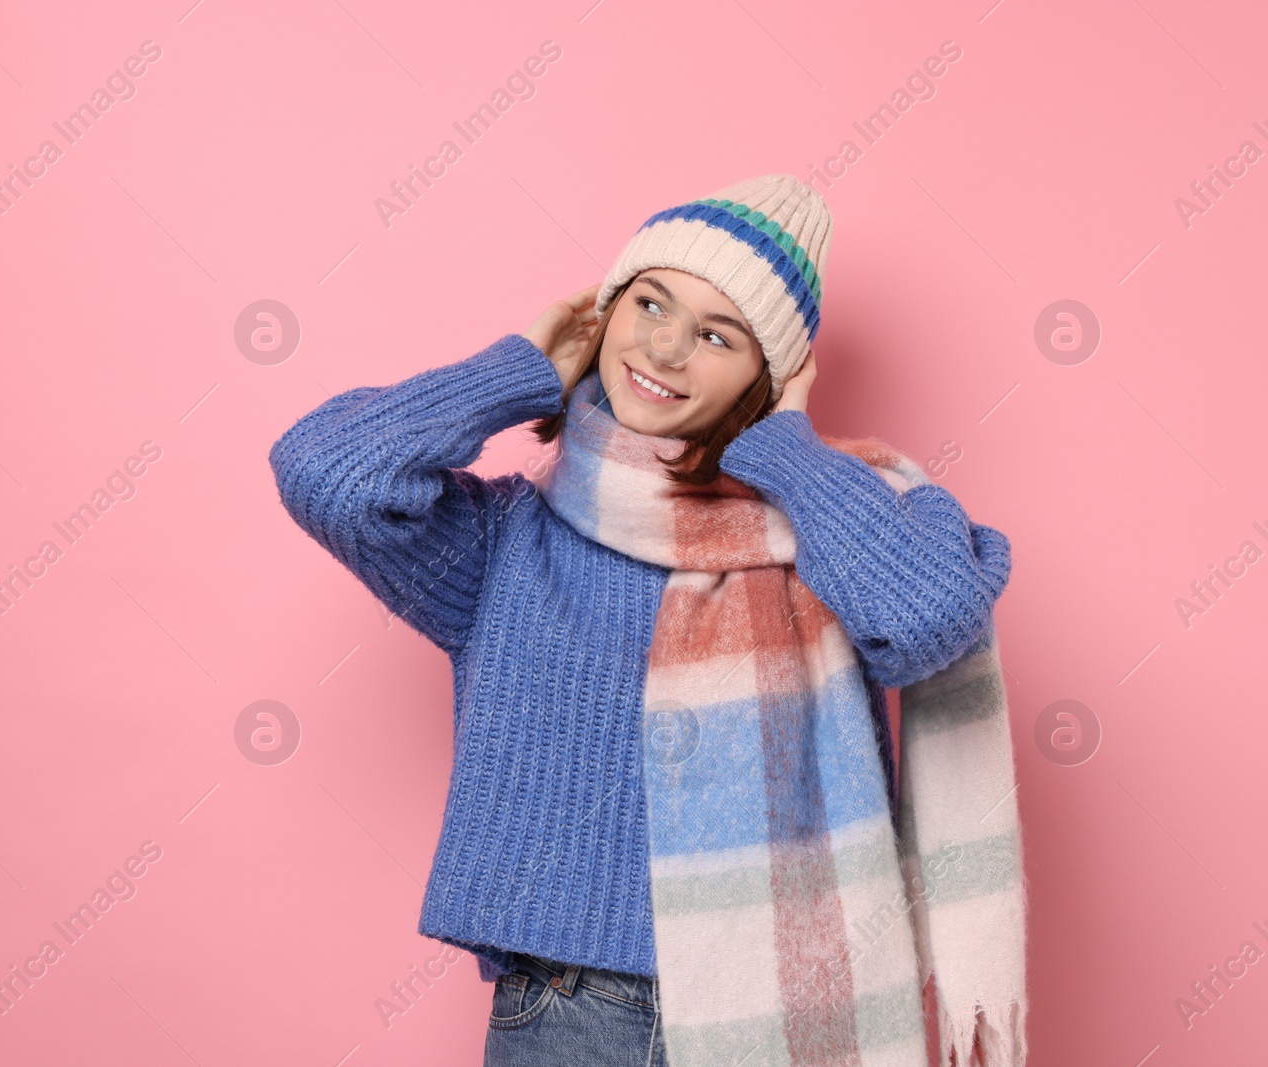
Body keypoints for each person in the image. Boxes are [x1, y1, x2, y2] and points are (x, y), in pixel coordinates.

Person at [268, 175, 1026, 1067]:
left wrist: (787, 448)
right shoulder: (505, 543)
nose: (665, 347)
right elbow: (327, 473)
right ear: (605, 311)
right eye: (649, 302)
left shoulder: (842, 528)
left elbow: (927, 619)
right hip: (576, 1010)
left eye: (716, 334)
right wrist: (513, 370)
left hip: (792, 1011)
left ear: (769, 373)